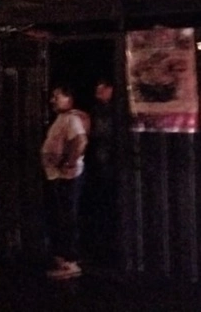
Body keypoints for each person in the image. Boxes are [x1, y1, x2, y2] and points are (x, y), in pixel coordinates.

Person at [41, 84, 89, 280]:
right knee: (62, 217)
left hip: (67, 178)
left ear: (68, 99)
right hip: (60, 176)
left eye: (57, 96)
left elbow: (81, 141)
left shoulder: (70, 119)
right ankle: (64, 257)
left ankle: (71, 262)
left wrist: (68, 163)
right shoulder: (63, 118)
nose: (53, 100)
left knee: (67, 219)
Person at [82, 76, 119, 267]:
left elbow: (102, 132)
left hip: (110, 161)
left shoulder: (115, 108)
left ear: (110, 89)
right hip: (100, 161)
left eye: (101, 88)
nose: (98, 92)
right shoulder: (97, 109)